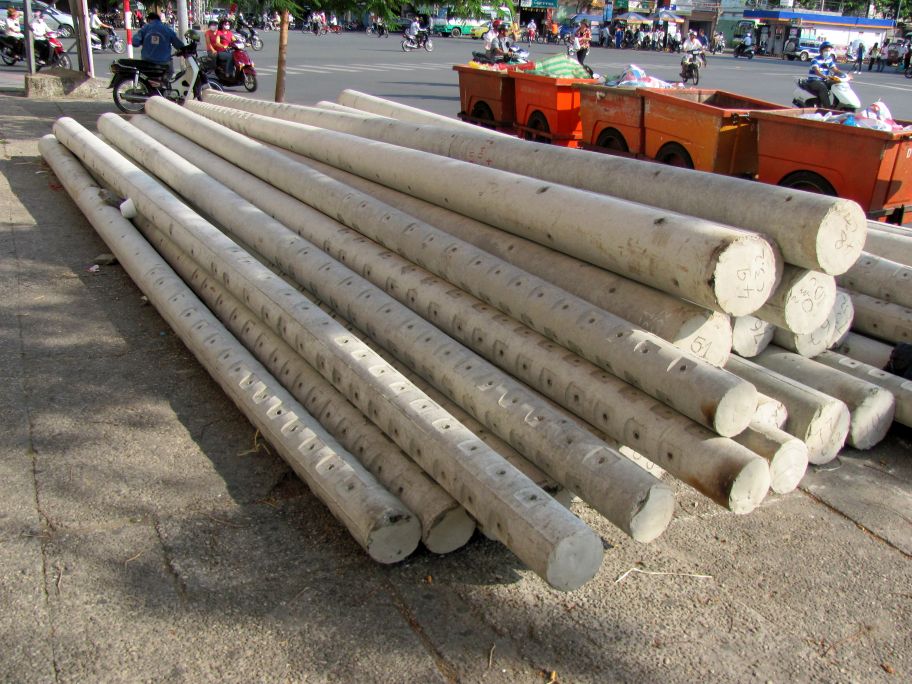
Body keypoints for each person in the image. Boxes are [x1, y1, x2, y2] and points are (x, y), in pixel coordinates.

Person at [806, 41, 844, 108]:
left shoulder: (829, 59)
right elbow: (817, 71)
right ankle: (827, 108)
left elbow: (835, 69)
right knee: (823, 88)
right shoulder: (815, 60)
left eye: (829, 51)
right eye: (826, 50)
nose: (827, 52)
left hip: (824, 80)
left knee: (837, 84)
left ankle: (836, 104)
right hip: (814, 81)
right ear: (821, 51)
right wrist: (825, 76)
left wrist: (843, 74)